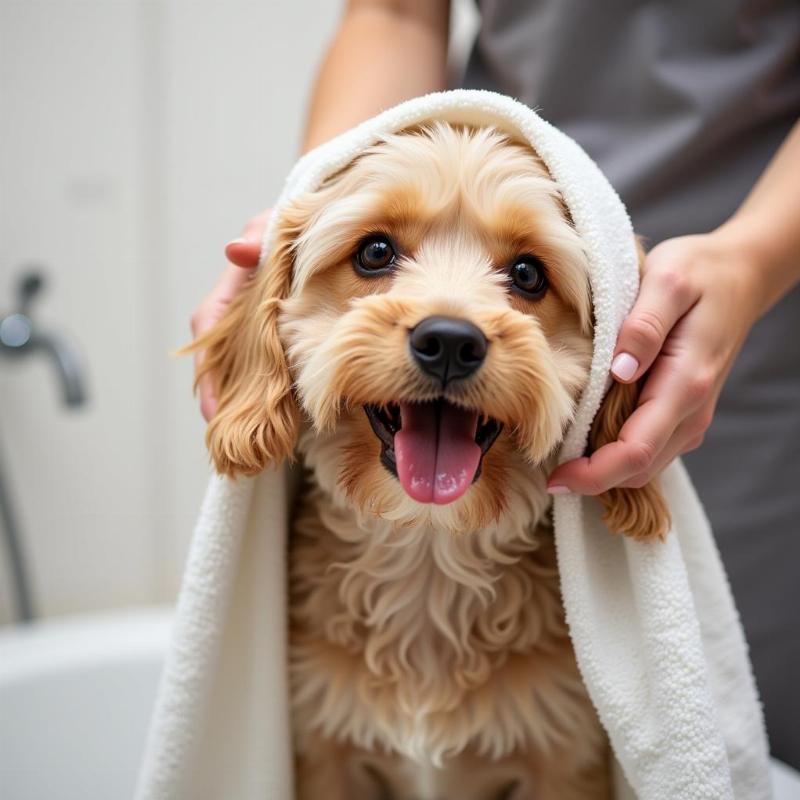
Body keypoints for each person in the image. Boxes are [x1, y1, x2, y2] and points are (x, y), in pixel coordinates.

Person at [190, 0, 800, 765]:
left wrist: (751, 261)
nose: (452, 324)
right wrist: (316, 189)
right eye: (378, 255)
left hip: (750, 291)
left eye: (522, 276)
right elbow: (397, 14)